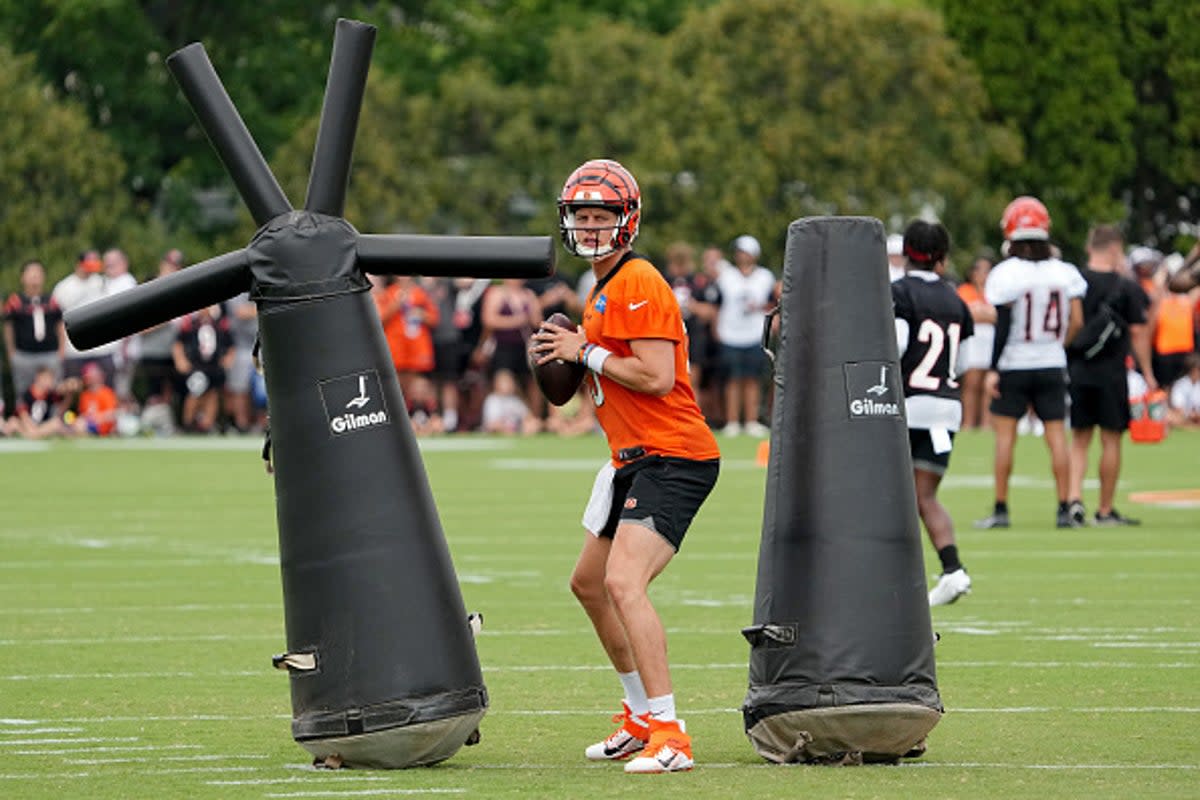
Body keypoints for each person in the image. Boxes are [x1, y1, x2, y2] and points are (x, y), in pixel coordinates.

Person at [532, 158, 720, 774]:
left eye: (600, 215)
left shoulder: (638, 282)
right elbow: (611, 386)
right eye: (581, 216)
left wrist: (581, 351)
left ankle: (672, 734)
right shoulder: (602, 287)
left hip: (675, 455)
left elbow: (657, 376)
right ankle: (639, 716)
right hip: (629, 460)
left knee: (623, 583)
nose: (589, 226)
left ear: (627, 221)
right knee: (589, 584)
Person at [974, 196, 1086, 529]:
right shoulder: (1065, 272)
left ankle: (1001, 508)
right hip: (1051, 361)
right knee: (1056, 439)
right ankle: (1065, 508)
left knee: (1005, 439)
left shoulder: (1005, 273)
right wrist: (1056, 345)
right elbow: (1077, 321)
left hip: (1013, 363)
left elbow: (1003, 325)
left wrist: (993, 368)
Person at [892, 220, 975, 606]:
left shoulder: (899, 292)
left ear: (907, 252)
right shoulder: (957, 299)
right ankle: (953, 568)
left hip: (907, 403)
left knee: (887, 495)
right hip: (947, 406)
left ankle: (889, 575)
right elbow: (965, 361)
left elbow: (896, 344)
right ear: (942, 258)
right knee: (926, 496)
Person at [1065, 225, 1156, 527]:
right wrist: (1148, 373)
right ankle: (1105, 509)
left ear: (1091, 247)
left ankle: (1074, 499)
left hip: (1078, 368)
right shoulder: (1126, 286)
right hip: (1112, 372)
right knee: (1111, 440)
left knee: (1079, 439)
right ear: (1115, 248)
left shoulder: (1074, 280)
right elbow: (1140, 332)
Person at [715, 235, 776, 436]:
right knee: (732, 379)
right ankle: (732, 421)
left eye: (745, 252)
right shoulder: (726, 275)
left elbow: (772, 305)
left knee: (752, 379)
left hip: (754, 333)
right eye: (739, 252)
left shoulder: (765, 277)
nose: (741, 256)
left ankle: (751, 421)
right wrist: (716, 328)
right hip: (730, 333)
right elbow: (717, 304)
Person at [4, 260, 65, 399]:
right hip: (24, 355)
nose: (34, 276)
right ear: (22, 277)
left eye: (37, 273)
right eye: (30, 273)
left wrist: (61, 351)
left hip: (49, 354)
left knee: (53, 392)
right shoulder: (15, 301)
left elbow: (60, 325)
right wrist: (12, 353)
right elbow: (8, 327)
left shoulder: (51, 300)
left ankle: (52, 419)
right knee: (24, 392)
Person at [52, 250, 116, 381]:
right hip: (74, 348)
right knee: (73, 385)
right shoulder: (64, 287)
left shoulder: (101, 282)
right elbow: (56, 320)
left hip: (101, 348)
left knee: (107, 384)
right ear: (79, 265)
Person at [173, 305, 234, 433]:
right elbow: (178, 342)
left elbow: (230, 343)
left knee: (212, 394)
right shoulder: (191, 323)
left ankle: (207, 424)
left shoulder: (219, 323)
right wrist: (180, 360)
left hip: (214, 365)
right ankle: (188, 423)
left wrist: (228, 359)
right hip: (197, 365)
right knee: (195, 392)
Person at [955, 253, 997, 430]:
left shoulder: (995, 291)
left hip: (990, 341)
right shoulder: (965, 290)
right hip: (973, 341)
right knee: (971, 384)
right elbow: (968, 314)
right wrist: (985, 313)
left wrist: (982, 313)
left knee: (988, 385)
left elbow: (996, 315)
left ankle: (986, 424)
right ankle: (968, 422)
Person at [1167, 352, 1200, 429]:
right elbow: (1178, 409)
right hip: (1185, 416)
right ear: (1193, 369)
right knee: (1170, 416)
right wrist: (1191, 415)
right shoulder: (1180, 384)